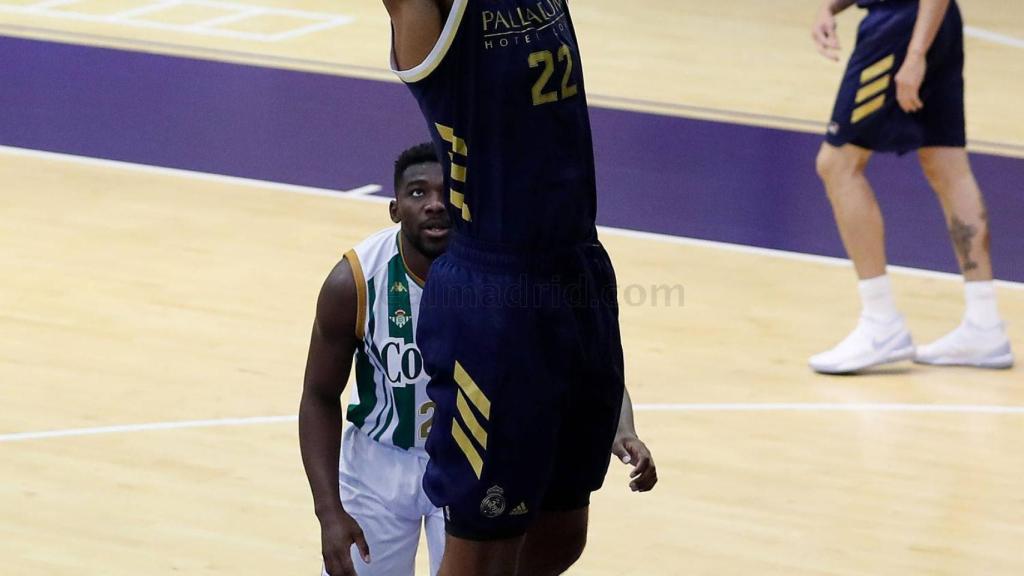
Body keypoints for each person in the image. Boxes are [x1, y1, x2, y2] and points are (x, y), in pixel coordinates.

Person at [299, 144, 657, 576]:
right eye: (417, 193)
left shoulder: (507, 277)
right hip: (377, 464)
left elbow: (583, 362)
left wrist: (622, 428)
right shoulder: (354, 282)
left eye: (446, 193)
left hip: (467, 463)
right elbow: (318, 395)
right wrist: (328, 512)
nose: (434, 204)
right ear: (394, 209)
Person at [381, 2, 637, 574]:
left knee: (562, 532)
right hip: (496, 301)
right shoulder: (432, 12)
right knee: (485, 552)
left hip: (578, 272)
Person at [808, 0, 1014, 374]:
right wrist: (830, 7)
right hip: (933, 24)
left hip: (902, 27)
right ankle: (984, 325)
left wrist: (916, 53)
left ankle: (880, 321)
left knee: (837, 164)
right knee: (945, 163)